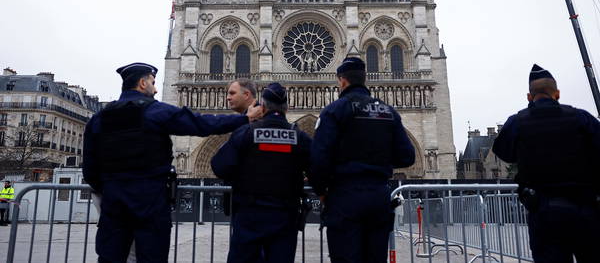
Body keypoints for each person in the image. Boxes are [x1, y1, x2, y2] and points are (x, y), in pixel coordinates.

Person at [83, 62, 263, 263]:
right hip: (150, 201)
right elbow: (200, 124)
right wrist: (242, 120)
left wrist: (111, 187)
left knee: (110, 258)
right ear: (142, 84)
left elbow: (89, 169)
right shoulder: (155, 112)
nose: (156, 88)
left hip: (114, 202)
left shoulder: (99, 118)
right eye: (152, 82)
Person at [310, 57, 415, 263]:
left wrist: (322, 193)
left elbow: (318, 159)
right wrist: (378, 160)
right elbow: (407, 156)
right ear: (364, 78)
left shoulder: (334, 111)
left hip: (345, 196)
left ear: (342, 81)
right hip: (378, 196)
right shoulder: (388, 111)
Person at [493, 64, 600, 263]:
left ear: (529, 97)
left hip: (545, 211)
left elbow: (504, 153)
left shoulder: (518, 122)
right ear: (557, 94)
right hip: (585, 211)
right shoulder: (582, 118)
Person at [211, 82, 312, 263]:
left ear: (262, 107)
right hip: (285, 216)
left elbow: (219, 167)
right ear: (287, 108)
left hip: (249, 216)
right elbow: (319, 169)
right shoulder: (300, 137)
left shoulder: (245, 133)